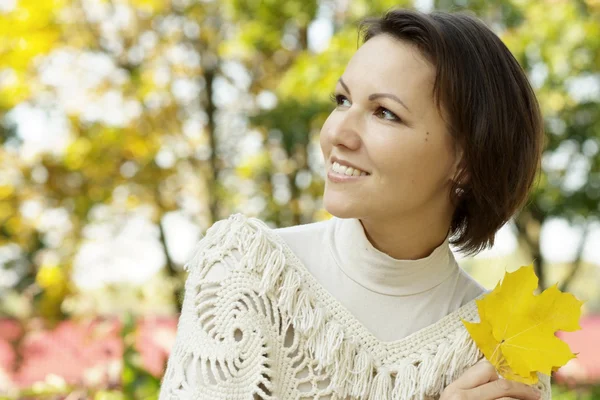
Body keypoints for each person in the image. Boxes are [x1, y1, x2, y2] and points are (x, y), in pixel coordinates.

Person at [158, 8, 550, 400]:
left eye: (385, 113)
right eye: (343, 100)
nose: (336, 132)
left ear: (465, 162)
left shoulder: (506, 342)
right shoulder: (248, 271)